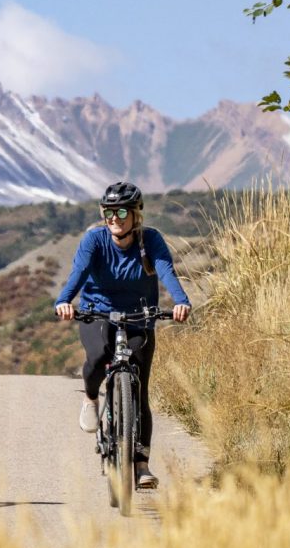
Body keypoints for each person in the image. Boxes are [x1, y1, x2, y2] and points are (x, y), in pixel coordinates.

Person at [53, 181, 191, 490]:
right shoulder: (95, 241)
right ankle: (90, 397)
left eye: (121, 212)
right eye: (109, 212)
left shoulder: (150, 240)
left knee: (139, 388)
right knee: (99, 354)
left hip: (139, 317)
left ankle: (141, 466)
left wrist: (181, 301)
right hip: (97, 313)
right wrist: (64, 300)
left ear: (136, 215)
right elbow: (79, 272)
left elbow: (166, 270)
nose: (114, 218)